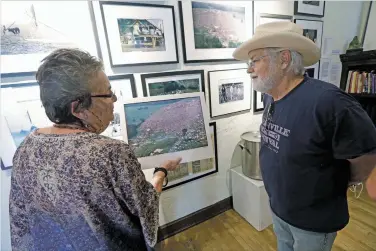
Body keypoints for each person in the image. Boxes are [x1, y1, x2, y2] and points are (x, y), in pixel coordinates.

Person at [9, 48, 182, 251]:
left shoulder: (26, 147)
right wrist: (161, 171)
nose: (114, 100)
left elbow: (20, 222)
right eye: (108, 93)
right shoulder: (110, 153)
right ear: (78, 108)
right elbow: (147, 207)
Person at [232, 22, 376, 251]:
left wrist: (339, 181)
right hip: (280, 210)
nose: (249, 69)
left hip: (313, 222)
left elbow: (366, 155)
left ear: (284, 59)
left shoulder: (330, 102)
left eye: (255, 60)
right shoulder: (270, 97)